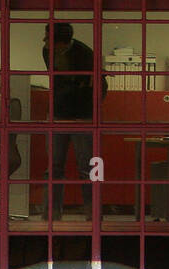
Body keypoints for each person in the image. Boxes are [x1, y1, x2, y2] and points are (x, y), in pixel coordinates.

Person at [42, 22, 105, 217]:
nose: (44, 41)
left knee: (85, 166)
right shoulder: (48, 51)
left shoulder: (85, 55)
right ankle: (54, 211)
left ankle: (90, 211)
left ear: (60, 42)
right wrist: (78, 86)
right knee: (55, 166)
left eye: (48, 38)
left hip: (79, 114)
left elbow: (99, 85)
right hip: (63, 112)